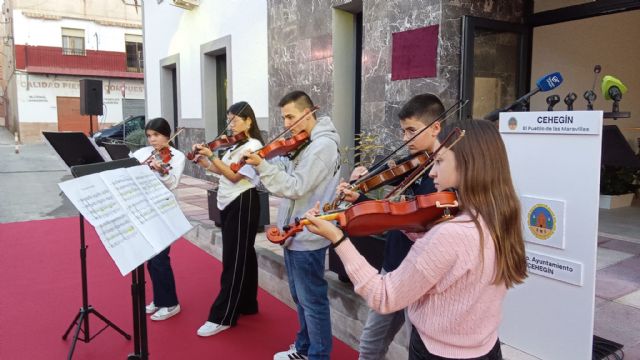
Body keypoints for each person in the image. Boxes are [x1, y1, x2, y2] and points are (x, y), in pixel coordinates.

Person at [304, 118, 528, 360]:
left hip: (438, 353)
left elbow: (384, 296)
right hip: (486, 348)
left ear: (468, 165)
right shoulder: (500, 216)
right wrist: (402, 222)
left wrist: (337, 239)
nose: (432, 171)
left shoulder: (452, 233)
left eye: (440, 161)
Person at [336, 93, 443, 360]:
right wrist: (359, 198)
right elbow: (393, 215)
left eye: (412, 131)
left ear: (436, 127)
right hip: (392, 267)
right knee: (370, 345)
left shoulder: (443, 174)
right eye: (403, 131)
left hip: (422, 277)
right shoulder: (411, 166)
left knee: (416, 350)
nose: (406, 139)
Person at [243, 91, 341, 360]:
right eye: (283, 117)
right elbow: (291, 174)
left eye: (291, 116)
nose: (286, 124)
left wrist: (264, 165)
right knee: (301, 298)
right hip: (294, 231)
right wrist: (271, 160)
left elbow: (296, 186)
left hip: (308, 234)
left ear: (309, 113)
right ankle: (304, 348)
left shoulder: (322, 146)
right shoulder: (307, 143)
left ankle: (318, 355)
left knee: (313, 302)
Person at [190, 101, 264, 337]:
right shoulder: (237, 145)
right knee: (245, 254)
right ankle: (247, 304)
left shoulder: (254, 145)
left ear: (249, 120)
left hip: (242, 201)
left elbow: (233, 176)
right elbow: (222, 170)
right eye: (228, 119)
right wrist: (204, 161)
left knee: (234, 259)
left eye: (234, 119)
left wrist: (212, 154)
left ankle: (223, 316)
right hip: (230, 202)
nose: (230, 125)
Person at [131, 117, 186, 321]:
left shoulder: (177, 156)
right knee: (151, 260)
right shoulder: (141, 154)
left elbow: (172, 184)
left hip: (164, 211)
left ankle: (171, 303)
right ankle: (159, 298)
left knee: (160, 259)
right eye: (149, 136)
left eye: (156, 135)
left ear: (167, 135)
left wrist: (161, 170)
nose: (152, 140)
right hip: (145, 210)